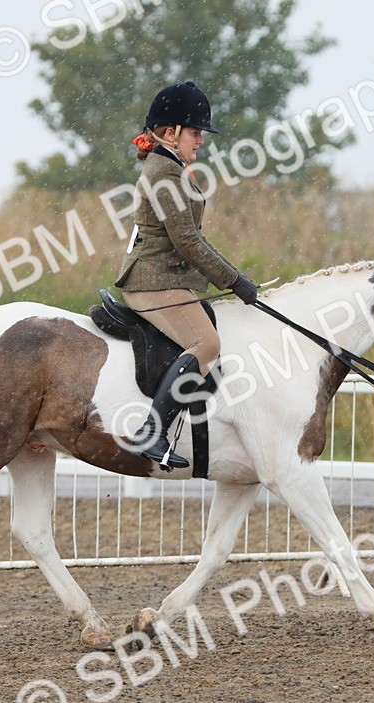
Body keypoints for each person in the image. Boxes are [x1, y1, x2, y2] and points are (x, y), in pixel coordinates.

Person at [115, 80, 259, 470]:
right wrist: (233, 281)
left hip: (165, 279)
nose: (201, 141)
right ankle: (153, 431)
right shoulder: (164, 173)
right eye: (196, 132)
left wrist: (235, 277)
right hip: (151, 282)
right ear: (171, 131)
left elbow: (196, 238)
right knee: (207, 343)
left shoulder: (171, 167)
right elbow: (187, 244)